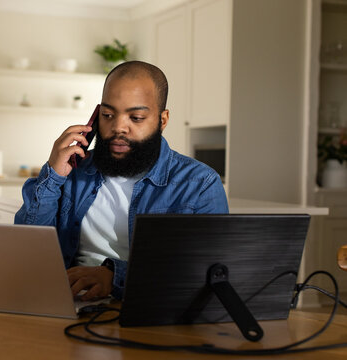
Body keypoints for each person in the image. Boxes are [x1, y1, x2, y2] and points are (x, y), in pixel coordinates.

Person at [14, 61, 228, 301]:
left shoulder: (199, 184)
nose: (118, 127)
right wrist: (53, 176)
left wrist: (113, 277)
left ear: (163, 120)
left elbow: (208, 274)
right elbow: (27, 250)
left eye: (135, 118)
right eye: (107, 115)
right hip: (69, 302)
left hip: (144, 308)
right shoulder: (72, 169)